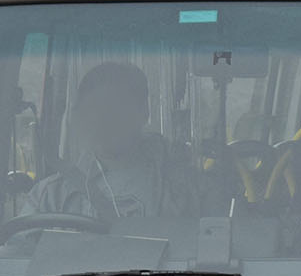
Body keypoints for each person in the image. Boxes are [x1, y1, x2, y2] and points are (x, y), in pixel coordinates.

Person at [24, 61, 199, 222]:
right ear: (79, 116)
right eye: (93, 109)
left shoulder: (189, 190)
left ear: (143, 112)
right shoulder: (51, 196)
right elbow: (18, 245)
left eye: (115, 107)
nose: (103, 120)